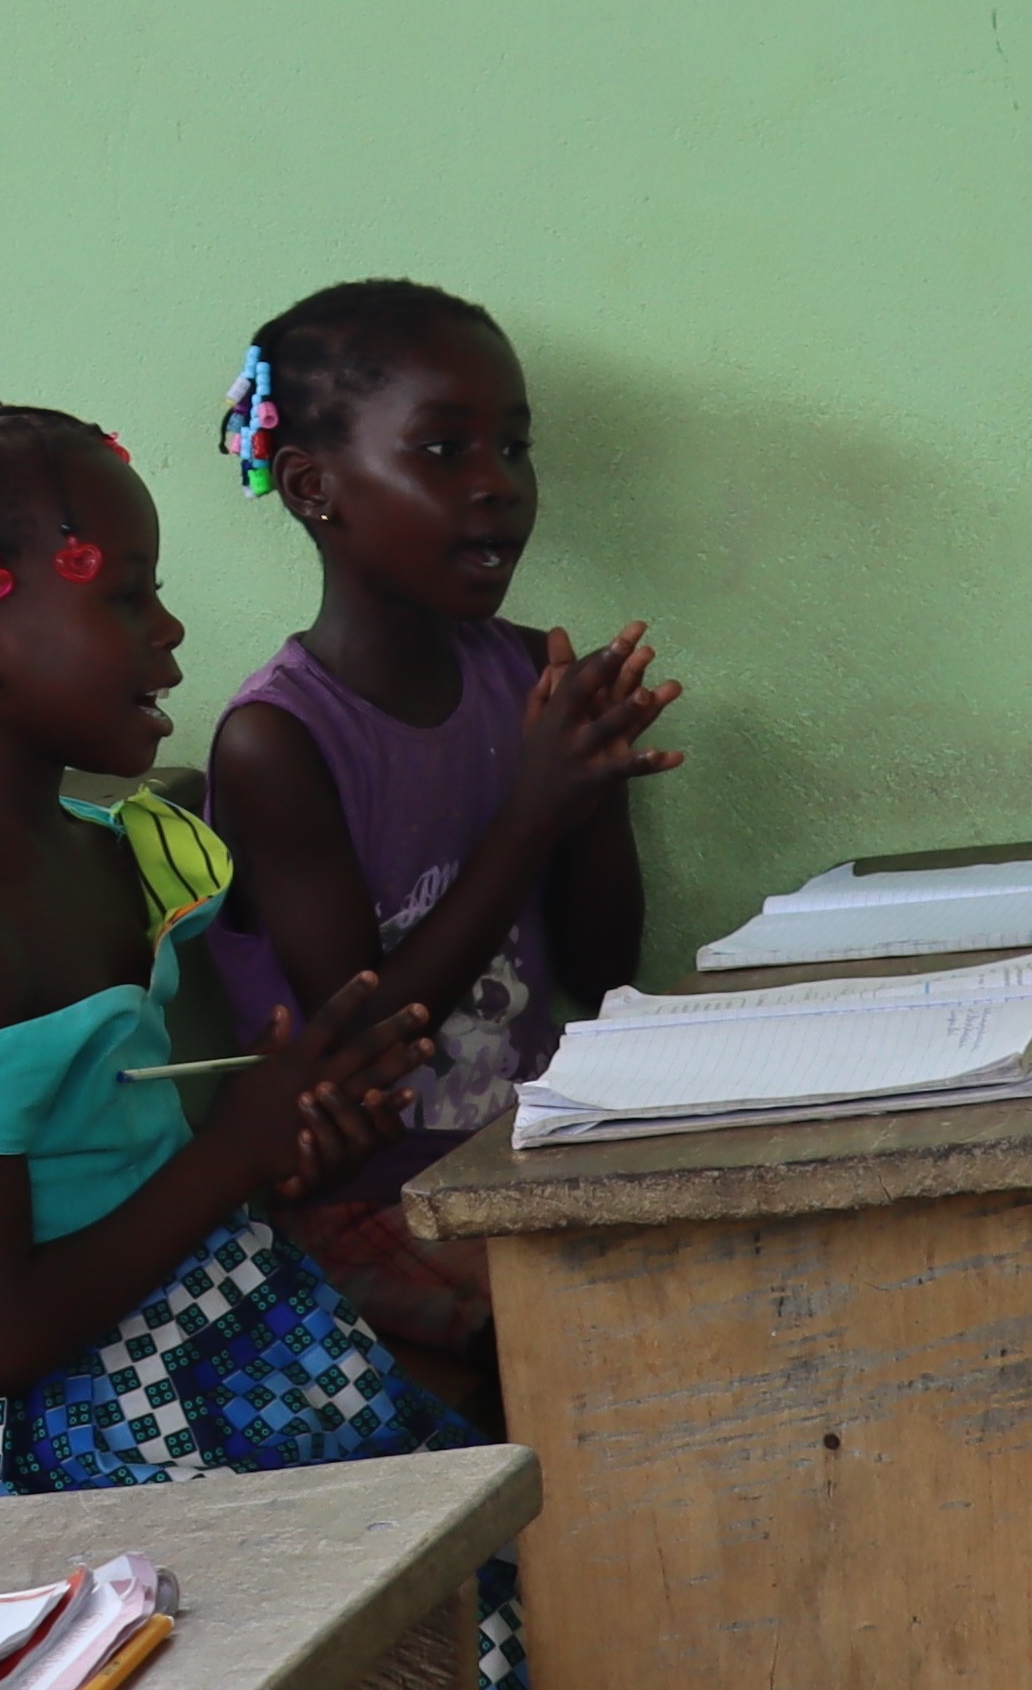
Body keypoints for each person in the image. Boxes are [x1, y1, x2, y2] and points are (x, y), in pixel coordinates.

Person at [0, 404, 532, 1690]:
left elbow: (187, 1120)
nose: (170, 634)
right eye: (127, 598)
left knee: (478, 1565)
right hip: (56, 1432)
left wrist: (296, 1120)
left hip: (203, 1311)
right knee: (403, 1655)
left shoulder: (111, 845)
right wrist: (239, 1156)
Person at [197, 281, 680, 1360]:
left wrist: (590, 791)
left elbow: (603, 973)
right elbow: (365, 1040)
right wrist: (532, 811)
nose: (495, 487)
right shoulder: (276, 739)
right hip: (368, 1211)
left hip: (528, 1157)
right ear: (316, 487)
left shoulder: (521, 674)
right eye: (442, 450)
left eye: (512, 447)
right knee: (646, 1332)